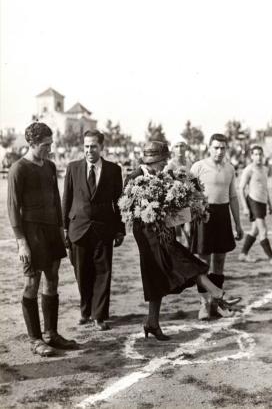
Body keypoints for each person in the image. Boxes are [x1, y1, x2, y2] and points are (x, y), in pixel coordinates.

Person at [127, 141, 241, 341]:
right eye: (163, 161)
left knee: (157, 276)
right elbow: (128, 208)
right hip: (148, 235)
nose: (165, 165)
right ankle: (217, 293)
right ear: (154, 159)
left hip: (165, 231)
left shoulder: (161, 176)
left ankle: (152, 322)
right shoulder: (135, 177)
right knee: (183, 261)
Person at [7, 122, 77, 357]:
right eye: (46, 144)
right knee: (31, 283)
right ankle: (35, 339)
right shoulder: (19, 169)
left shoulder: (50, 166)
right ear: (32, 143)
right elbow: (13, 207)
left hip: (51, 231)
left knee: (53, 278)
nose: (50, 148)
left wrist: (60, 229)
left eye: (51, 143)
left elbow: (56, 200)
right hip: (31, 231)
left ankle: (51, 333)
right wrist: (21, 241)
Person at [62, 129, 125, 331]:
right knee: (82, 272)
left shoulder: (114, 170)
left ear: (102, 147)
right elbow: (67, 199)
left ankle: (99, 315)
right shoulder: (73, 168)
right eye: (86, 146)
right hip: (77, 228)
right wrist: (64, 229)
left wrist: (120, 229)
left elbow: (119, 202)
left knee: (103, 272)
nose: (89, 150)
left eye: (93, 146)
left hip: (103, 230)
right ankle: (85, 311)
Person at [190, 133, 243, 321]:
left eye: (223, 148)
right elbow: (188, 195)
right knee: (203, 262)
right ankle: (204, 304)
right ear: (209, 147)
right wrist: (192, 219)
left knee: (219, 261)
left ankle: (217, 303)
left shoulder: (229, 169)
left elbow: (233, 197)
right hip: (204, 215)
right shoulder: (198, 167)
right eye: (216, 147)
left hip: (222, 216)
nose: (219, 151)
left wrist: (237, 223)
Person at [238, 145, 272, 265]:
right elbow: (241, 188)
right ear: (252, 156)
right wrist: (245, 207)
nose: (258, 157)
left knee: (255, 230)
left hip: (262, 202)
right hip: (253, 201)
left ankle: (243, 254)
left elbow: (265, 188)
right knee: (263, 230)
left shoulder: (265, 169)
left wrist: (270, 204)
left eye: (260, 154)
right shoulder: (248, 170)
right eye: (256, 154)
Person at [165, 136, 192, 246]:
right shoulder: (170, 165)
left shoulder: (189, 163)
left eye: (182, 146)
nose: (179, 149)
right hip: (174, 202)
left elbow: (193, 180)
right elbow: (165, 183)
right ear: (172, 149)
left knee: (189, 233)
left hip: (187, 200)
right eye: (176, 146)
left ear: (186, 148)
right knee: (178, 235)